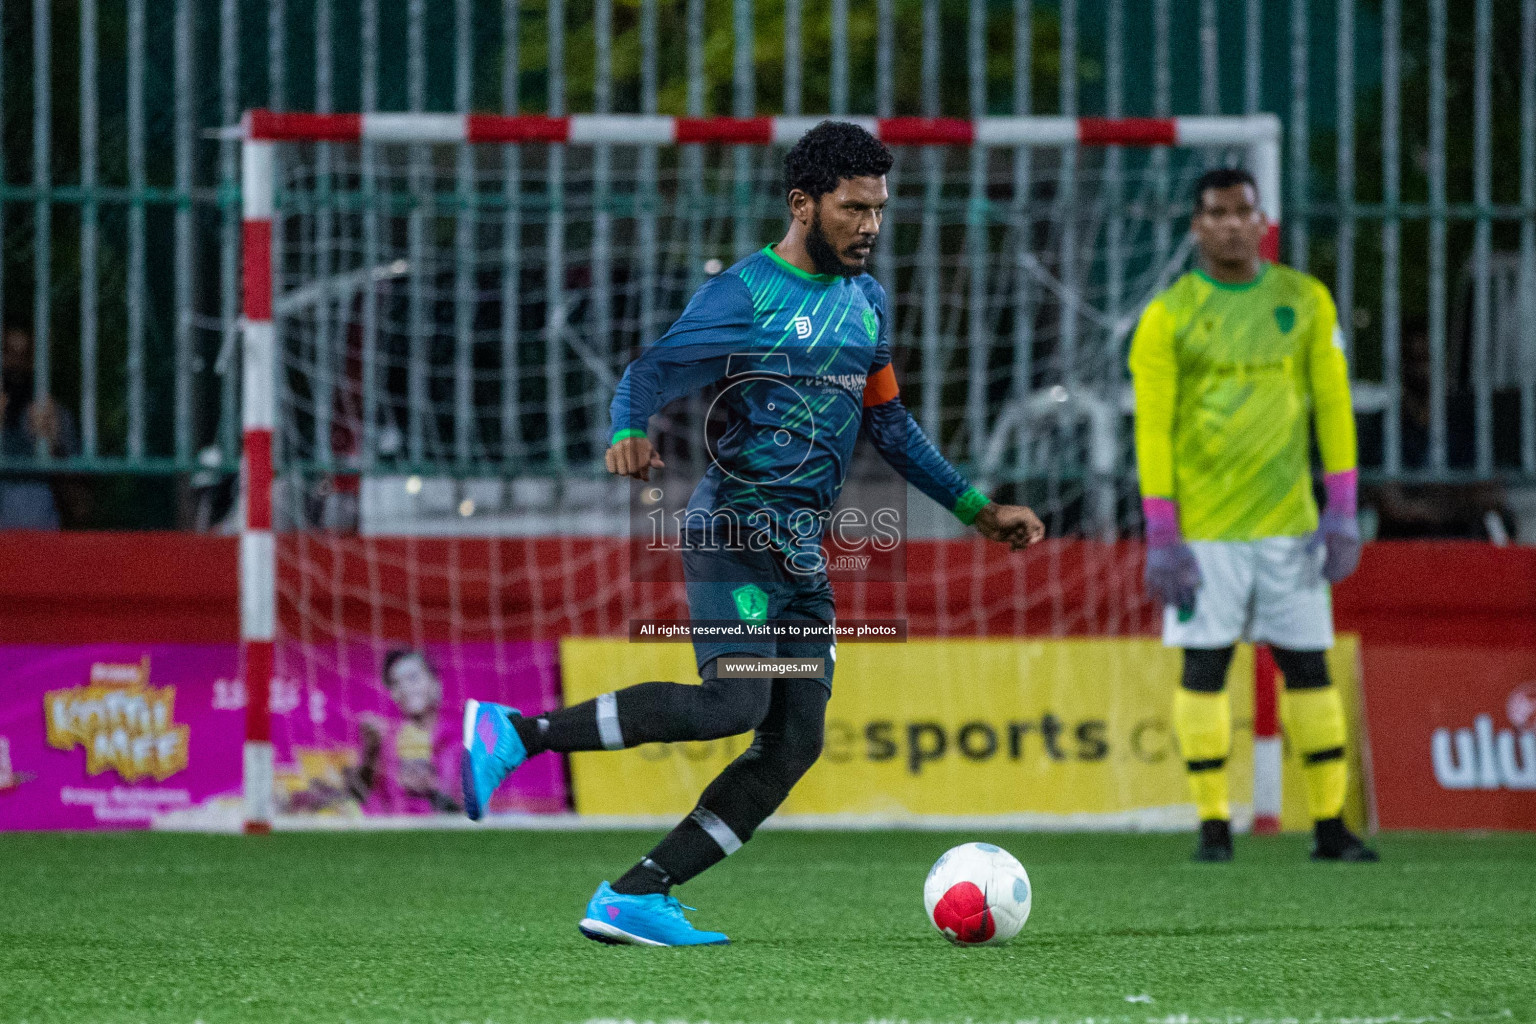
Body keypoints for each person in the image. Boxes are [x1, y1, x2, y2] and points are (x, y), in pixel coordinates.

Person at [462, 121, 1045, 946]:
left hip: (799, 550)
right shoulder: (747, 295)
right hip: (733, 529)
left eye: (879, 209)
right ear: (803, 205)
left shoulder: (866, 301)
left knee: (793, 741)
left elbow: (890, 422)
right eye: (853, 209)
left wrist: (976, 508)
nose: (870, 226)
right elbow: (650, 371)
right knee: (732, 702)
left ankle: (637, 894)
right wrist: (628, 428)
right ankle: (515, 734)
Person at [1129, 167, 1378, 864]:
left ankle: (1330, 826)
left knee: (1308, 666)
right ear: (1195, 226)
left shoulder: (1305, 300)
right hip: (1203, 536)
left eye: (1244, 211)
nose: (1233, 223)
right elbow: (1152, 427)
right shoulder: (1168, 315)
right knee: (1203, 669)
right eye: (1217, 212)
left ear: (1261, 218)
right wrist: (1161, 531)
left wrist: (1343, 510)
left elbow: (1332, 405)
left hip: (1293, 528)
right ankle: (1213, 826)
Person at [0, 326, 84, 529]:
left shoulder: (56, 416)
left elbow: (81, 508)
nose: (16, 364)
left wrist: (54, 449)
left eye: (25, 355)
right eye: (8, 353)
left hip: (41, 549)